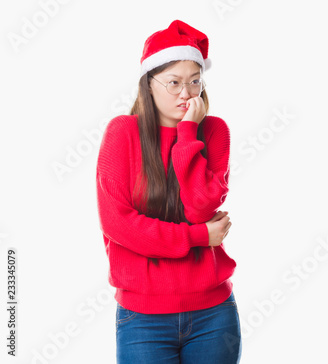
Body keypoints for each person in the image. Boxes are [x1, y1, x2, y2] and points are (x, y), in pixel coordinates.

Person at [95, 19, 242, 363]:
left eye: (194, 82)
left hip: (214, 314)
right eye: (173, 82)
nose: (186, 93)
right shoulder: (123, 133)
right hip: (143, 319)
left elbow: (200, 208)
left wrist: (188, 133)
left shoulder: (215, 131)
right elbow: (119, 225)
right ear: (149, 84)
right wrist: (199, 238)